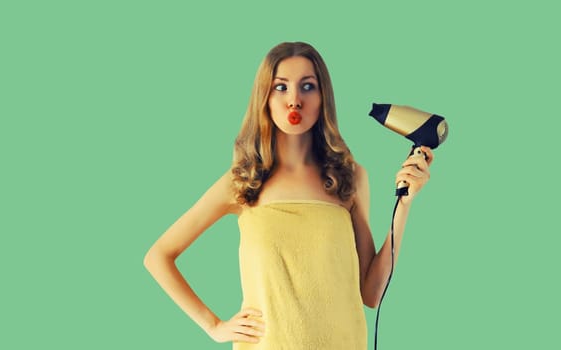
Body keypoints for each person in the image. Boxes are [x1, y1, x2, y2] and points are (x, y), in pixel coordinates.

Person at [143, 41, 433, 349]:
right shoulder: (243, 181)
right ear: (264, 98)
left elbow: (371, 293)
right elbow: (158, 257)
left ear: (324, 99)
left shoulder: (350, 177)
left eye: (308, 87)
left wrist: (404, 203)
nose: (294, 100)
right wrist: (214, 326)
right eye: (281, 87)